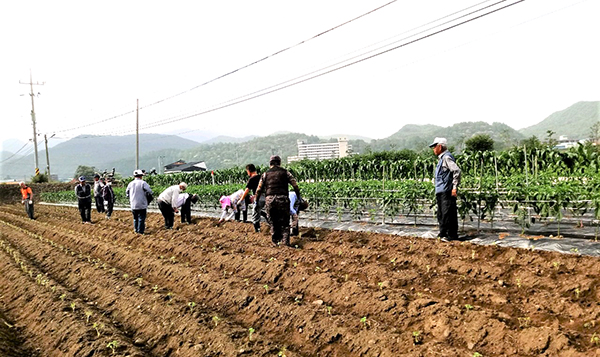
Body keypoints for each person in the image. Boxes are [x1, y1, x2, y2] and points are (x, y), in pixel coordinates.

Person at [255, 155, 301, 246]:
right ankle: (285, 243)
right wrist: (299, 197)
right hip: (283, 199)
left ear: (270, 164)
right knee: (285, 222)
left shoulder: (265, 174)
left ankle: (275, 242)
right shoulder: (286, 173)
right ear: (279, 163)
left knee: (273, 222)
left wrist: (256, 201)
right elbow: (295, 185)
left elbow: (258, 189)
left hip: (270, 200)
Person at [429, 137, 461, 241]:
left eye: (434, 147)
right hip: (441, 191)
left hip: (446, 191)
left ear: (440, 146)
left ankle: (449, 235)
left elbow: (456, 171)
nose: (433, 149)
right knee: (442, 213)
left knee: (447, 213)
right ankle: (443, 234)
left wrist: (454, 187)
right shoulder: (441, 159)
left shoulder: (446, 157)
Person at [236, 164, 264, 232]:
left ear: (249, 171)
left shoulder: (251, 179)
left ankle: (258, 231)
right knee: (263, 212)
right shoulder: (262, 177)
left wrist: (241, 199)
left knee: (254, 216)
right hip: (266, 197)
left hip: (258, 197)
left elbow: (247, 190)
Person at [126, 169, 153, 234]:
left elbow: (127, 193)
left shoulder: (130, 184)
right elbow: (150, 191)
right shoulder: (143, 183)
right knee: (141, 218)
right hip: (142, 204)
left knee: (135, 219)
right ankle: (140, 232)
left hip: (133, 205)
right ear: (141, 176)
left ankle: (136, 230)